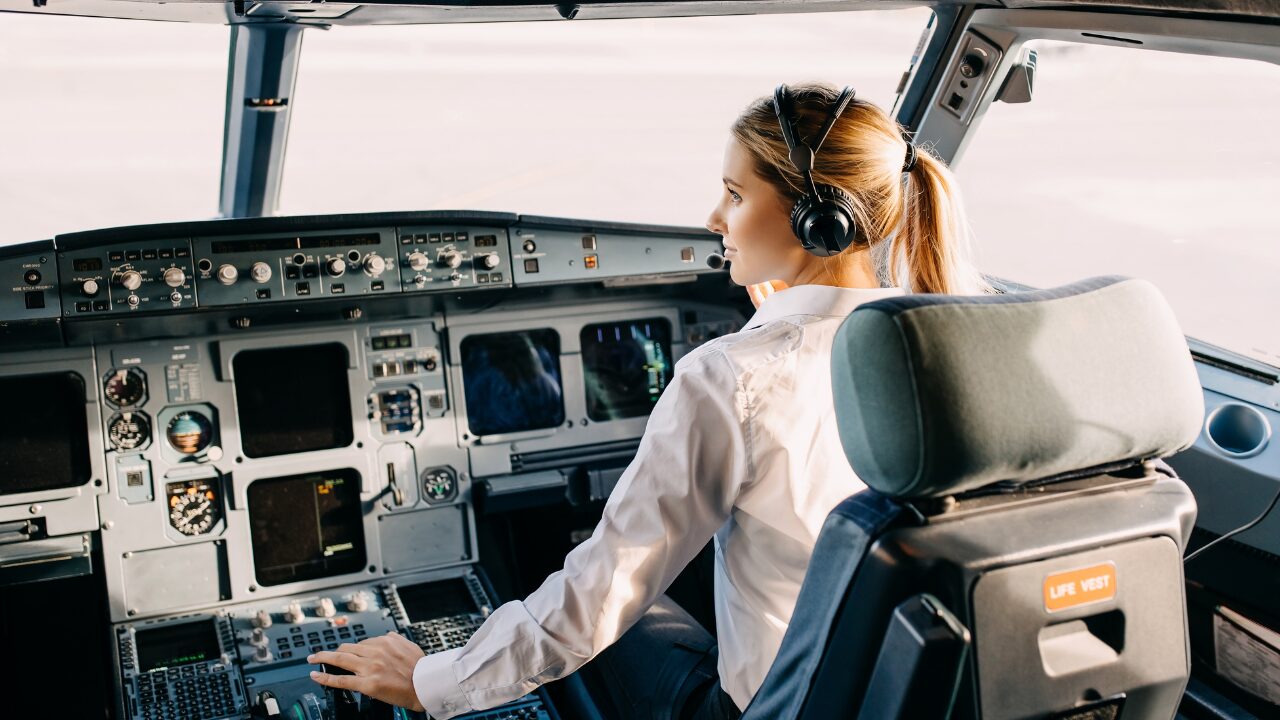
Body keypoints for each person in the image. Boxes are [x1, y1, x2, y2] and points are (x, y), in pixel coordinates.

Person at [306, 82, 986, 719]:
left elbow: (598, 598)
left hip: (772, 706)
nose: (714, 217)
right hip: (914, 690)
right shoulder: (955, 345)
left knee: (594, 597)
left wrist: (430, 682)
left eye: (734, 194)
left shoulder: (731, 379)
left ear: (818, 221)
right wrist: (782, 317)